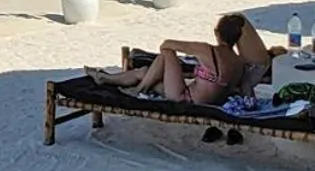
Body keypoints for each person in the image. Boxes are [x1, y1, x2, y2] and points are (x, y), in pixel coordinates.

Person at [85, 12, 272, 104]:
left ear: (217, 33)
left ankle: (139, 91)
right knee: (143, 72)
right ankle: (104, 78)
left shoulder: (208, 51)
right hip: (207, 99)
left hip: (186, 98)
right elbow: (243, 86)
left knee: (166, 54)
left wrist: (194, 54)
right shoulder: (240, 63)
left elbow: (167, 45)